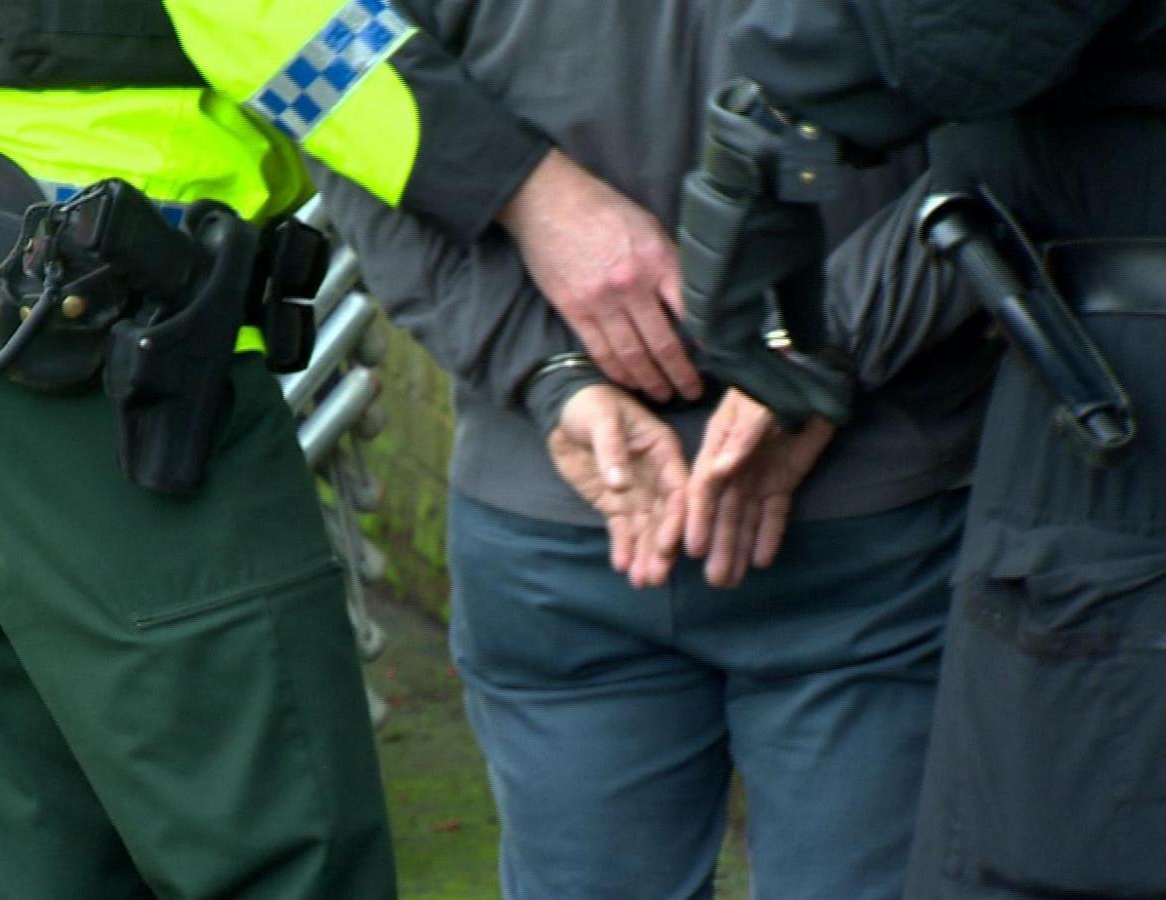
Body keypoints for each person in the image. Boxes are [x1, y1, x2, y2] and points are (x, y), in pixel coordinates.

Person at [0, 0, 713, 896]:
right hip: (99, 353)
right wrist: (536, 192)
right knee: (283, 852)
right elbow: (295, 23)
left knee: (48, 841)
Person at [306, 0, 998, 896]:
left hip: (840, 550)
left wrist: (538, 364)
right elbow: (1035, 137)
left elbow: (334, 96)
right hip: (811, 526)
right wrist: (825, 350)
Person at [677, 2, 1166, 896]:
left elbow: (955, 27)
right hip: (1088, 370)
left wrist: (772, 122)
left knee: (1065, 840)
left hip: (1121, 409)